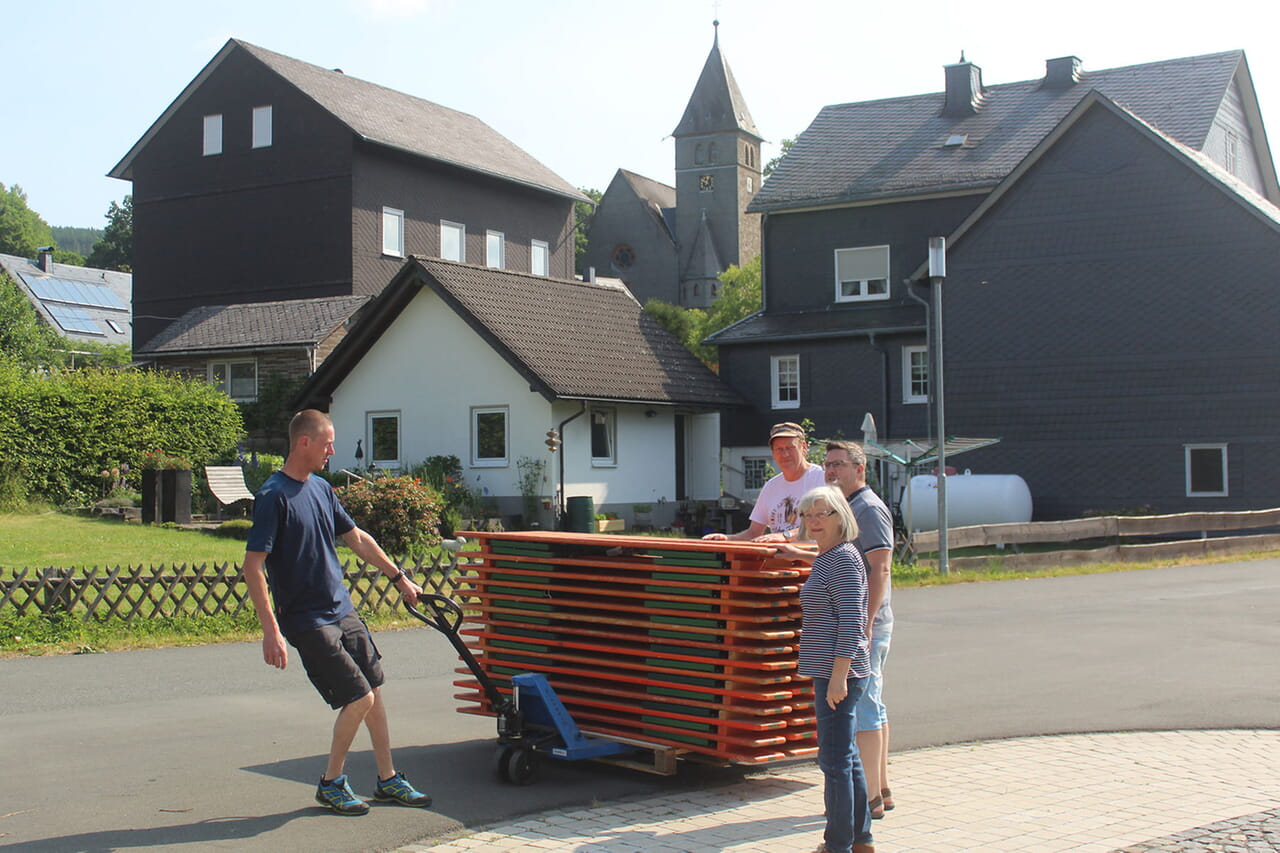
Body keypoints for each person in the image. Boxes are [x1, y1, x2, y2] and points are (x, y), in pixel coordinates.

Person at [243, 409, 431, 816]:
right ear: (304, 442)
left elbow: (357, 538)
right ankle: (331, 783)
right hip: (306, 619)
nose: (332, 450)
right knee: (358, 696)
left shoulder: (323, 490)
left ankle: (387, 780)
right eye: (327, 442)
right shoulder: (273, 496)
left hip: (340, 607)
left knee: (374, 690)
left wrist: (399, 577)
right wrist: (270, 631)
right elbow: (253, 565)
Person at [794, 485, 875, 853]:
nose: (813, 522)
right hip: (831, 671)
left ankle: (837, 843)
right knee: (846, 756)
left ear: (839, 517)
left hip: (838, 672)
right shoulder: (827, 556)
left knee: (833, 761)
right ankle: (860, 839)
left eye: (820, 514)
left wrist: (839, 677)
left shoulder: (841, 558)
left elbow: (851, 623)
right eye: (808, 515)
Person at [823, 440, 896, 818]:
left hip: (866, 625)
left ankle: (867, 802)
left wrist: (864, 624)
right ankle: (880, 787)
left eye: (839, 465)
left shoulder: (867, 509)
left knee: (863, 708)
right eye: (827, 465)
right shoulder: (846, 509)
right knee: (872, 704)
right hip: (858, 624)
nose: (831, 471)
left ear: (859, 469)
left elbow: (880, 569)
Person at [703, 422, 826, 541]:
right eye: (779, 449)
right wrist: (727, 538)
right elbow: (753, 533)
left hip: (814, 559)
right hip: (778, 558)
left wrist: (785, 536)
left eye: (790, 447)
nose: (785, 454)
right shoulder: (771, 486)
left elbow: (826, 523)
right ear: (773, 453)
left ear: (803, 447)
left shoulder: (821, 479)